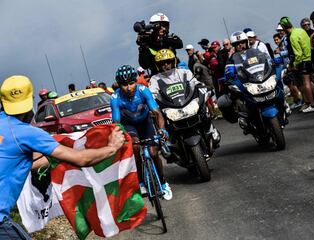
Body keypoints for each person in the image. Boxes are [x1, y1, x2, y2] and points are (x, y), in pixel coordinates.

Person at [0, 75, 125, 239]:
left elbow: (19, 163)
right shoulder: (26, 132)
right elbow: (81, 159)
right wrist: (112, 147)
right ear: (30, 102)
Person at [110, 65, 172, 200]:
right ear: (119, 85)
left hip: (145, 122)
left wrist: (162, 129)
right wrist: (120, 138)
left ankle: (163, 183)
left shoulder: (143, 90)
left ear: (136, 82)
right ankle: (141, 182)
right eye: (124, 85)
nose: (129, 87)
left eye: (131, 83)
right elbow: (116, 122)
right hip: (129, 125)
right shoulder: (115, 97)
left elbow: (157, 112)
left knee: (154, 153)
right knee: (136, 147)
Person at [148, 49, 221, 143]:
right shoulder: (155, 79)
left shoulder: (184, 72)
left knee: (202, 109)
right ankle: (168, 143)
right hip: (170, 106)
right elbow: (152, 94)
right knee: (161, 119)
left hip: (187, 101)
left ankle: (210, 129)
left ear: (173, 61)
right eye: (162, 63)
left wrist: (203, 87)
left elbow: (195, 83)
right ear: (158, 65)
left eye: (168, 62)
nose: (165, 65)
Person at [280, 16, 314, 113]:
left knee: (306, 83)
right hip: (309, 58)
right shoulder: (300, 30)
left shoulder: (292, 36)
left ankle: (312, 104)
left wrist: (293, 65)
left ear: (284, 27)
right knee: (312, 81)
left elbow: (298, 54)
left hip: (303, 61)